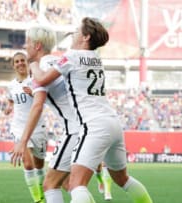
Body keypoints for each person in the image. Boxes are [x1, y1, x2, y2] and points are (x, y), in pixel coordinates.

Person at [30, 17, 153, 203]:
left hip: (93, 125)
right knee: (122, 179)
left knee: (76, 184)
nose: (73, 34)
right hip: (113, 123)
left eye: (77, 31)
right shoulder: (96, 58)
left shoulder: (72, 56)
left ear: (86, 37)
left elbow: (42, 79)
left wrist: (33, 63)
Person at [10, 25, 80, 203]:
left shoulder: (40, 68)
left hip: (74, 129)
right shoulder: (57, 63)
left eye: (28, 43)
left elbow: (38, 106)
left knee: (50, 184)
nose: (26, 47)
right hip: (86, 125)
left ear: (38, 45)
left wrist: (22, 142)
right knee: (71, 184)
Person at [5, 52, 48, 203]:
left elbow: (45, 100)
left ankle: (42, 192)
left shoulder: (36, 80)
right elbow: (11, 99)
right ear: (13, 65)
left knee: (39, 165)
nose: (20, 63)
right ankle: (38, 200)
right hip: (19, 128)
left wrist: (33, 94)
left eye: (22, 60)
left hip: (37, 128)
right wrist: (9, 107)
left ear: (27, 62)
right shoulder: (11, 85)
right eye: (16, 61)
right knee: (28, 164)